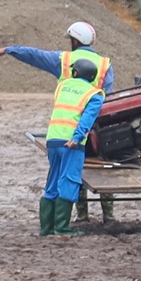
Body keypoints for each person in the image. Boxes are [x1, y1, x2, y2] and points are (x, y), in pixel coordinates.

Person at [33, 55, 104, 236]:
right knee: (69, 180)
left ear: (75, 72)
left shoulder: (62, 86)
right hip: (72, 143)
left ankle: (46, 228)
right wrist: (78, 136)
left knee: (53, 180)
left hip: (53, 139)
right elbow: (87, 118)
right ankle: (62, 228)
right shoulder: (94, 94)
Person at [0, 19, 115, 93]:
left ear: (75, 41)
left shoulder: (63, 60)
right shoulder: (105, 65)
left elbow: (34, 55)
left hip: (67, 121)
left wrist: (8, 50)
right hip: (92, 123)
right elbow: (107, 96)